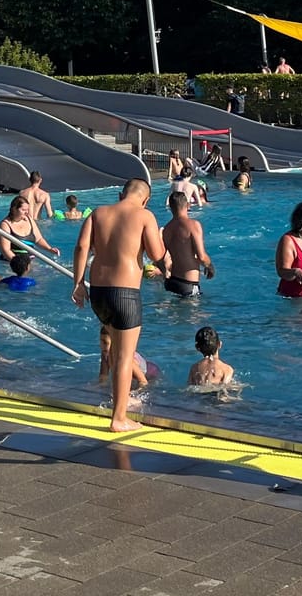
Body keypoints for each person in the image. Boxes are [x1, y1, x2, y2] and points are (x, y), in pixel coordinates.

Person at [70, 179, 166, 432]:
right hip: (125, 294)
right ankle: (119, 418)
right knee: (125, 357)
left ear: (121, 194)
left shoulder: (98, 213)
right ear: (145, 199)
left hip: (99, 293)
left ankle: (120, 403)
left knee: (115, 351)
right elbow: (156, 255)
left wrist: (78, 283)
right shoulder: (145, 215)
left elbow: (81, 247)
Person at [161, 192, 213, 298]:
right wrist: (210, 266)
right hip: (188, 285)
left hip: (171, 283)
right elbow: (201, 257)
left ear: (170, 207)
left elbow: (161, 258)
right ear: (188, 205)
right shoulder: (193, 225)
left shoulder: (166, 229)